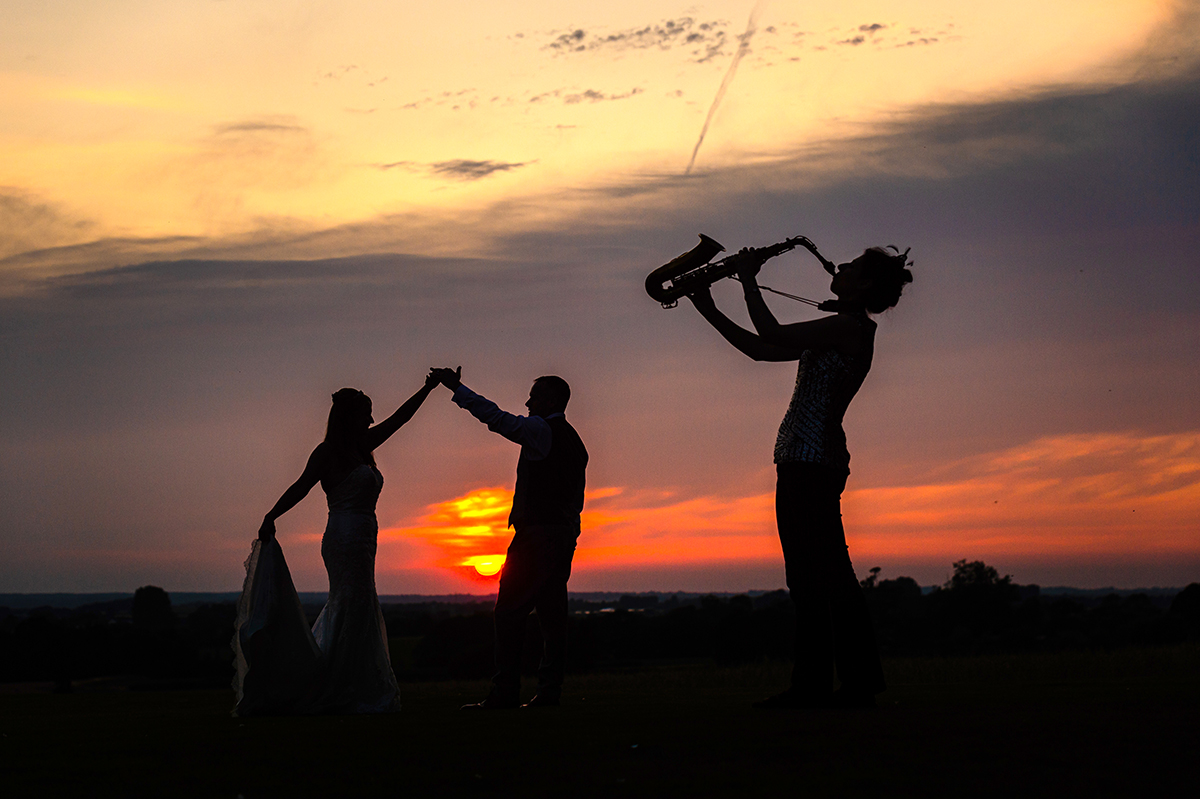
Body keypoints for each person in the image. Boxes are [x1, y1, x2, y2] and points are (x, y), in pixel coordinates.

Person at [686, 239, 913, 709]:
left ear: (864, 283)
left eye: (851, 264)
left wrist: (748, 278)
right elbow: (758, 349)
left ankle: (834, 686)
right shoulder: (838, 328)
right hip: (802, 461)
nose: (841, 264)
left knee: (823, 578)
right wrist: (704, 304)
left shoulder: (850, 328)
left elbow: (770, 330)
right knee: (814, 578)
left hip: (812, 462)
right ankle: (839, 685)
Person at [232, 374, 438, 715]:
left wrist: (428, 389)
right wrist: (272, 515)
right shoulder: (327, 453)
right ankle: (339, 683)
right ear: (350, 417)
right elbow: (301, 486)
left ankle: (353, 678)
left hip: (365, 536)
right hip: (343, 538)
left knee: (358, 604)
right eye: (367, 413)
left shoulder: (364, 447)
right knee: (352, 602)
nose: (372, 419)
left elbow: (402, 418)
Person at [429, 367, 588, 709]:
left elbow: (496, 418)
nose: (528, 402)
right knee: (552, 617)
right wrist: (570, 534)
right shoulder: (576, 441)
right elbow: (577, 498)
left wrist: (457, 388)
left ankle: (504, 693)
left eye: (534, 396)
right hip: (561, 536)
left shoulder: (539, 429)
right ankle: (548, 694)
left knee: (509, 613)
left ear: (550, 400)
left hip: (537, 537)